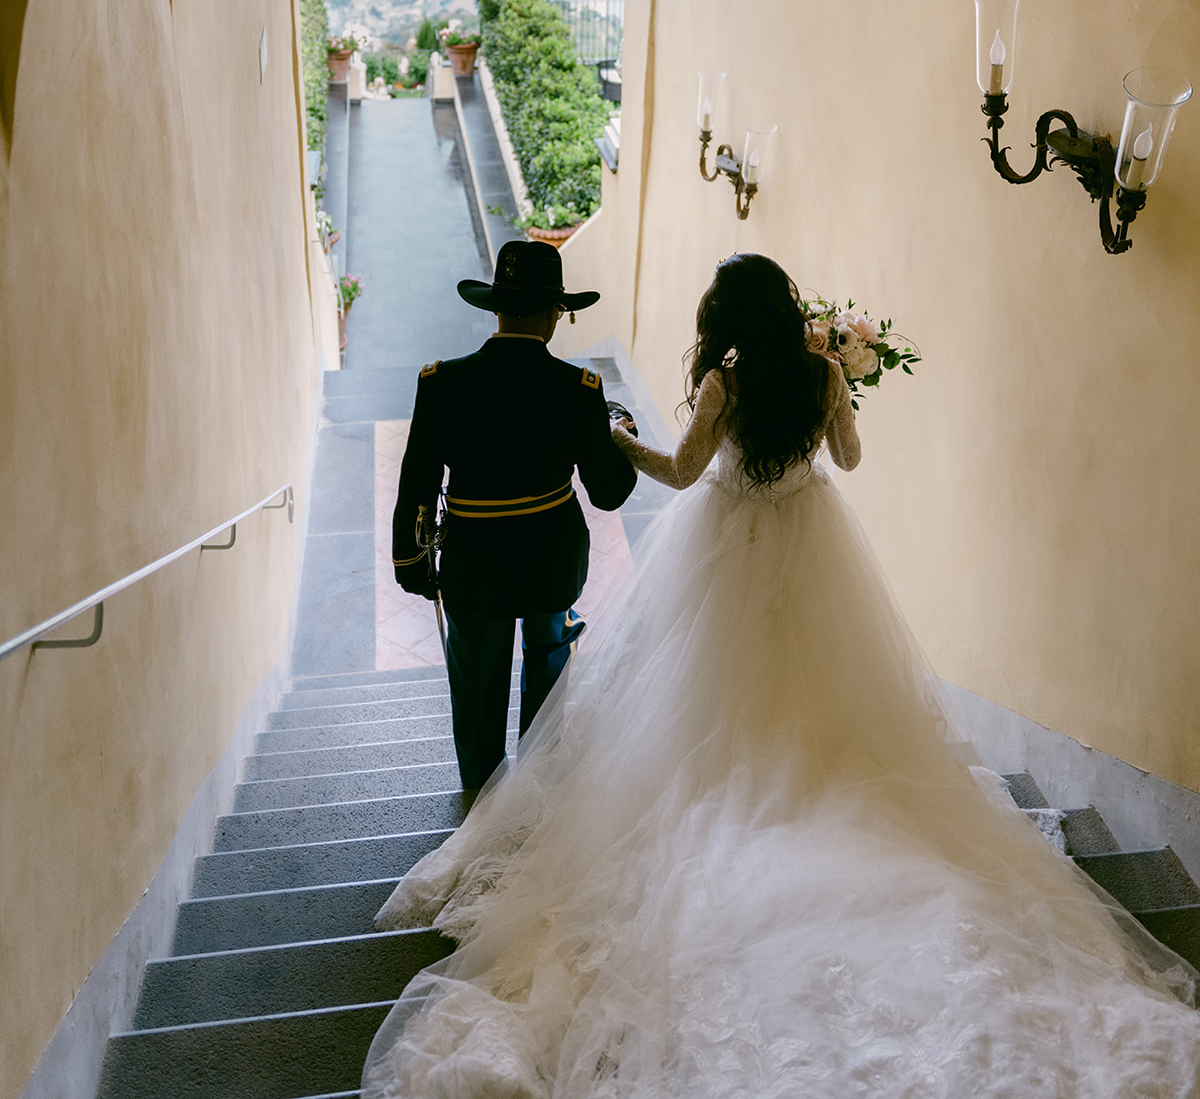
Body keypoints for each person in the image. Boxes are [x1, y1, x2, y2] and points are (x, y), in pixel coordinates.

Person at [367, 254, 1200, 1096]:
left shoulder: (720, 385)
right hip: (811, 539)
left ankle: (532, 789)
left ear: (725, 316)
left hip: (725, 548)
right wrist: (835, 394)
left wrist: (619, 438)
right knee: (820, 684)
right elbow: (850, 458)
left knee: (702, 691)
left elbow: (682, 472)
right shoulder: (825, 373)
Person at [391, 239, 637, 794]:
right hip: (550, 558)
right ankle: (536, 785)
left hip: (473, 561)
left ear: (496, 309)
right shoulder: (579, 389)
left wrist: (410, 562)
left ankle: (482, 794)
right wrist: (621, 435)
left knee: (476, 679)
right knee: (548, 661)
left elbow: (417, 482)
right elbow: (608, 493)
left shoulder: (441, 382)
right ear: (554, 314)